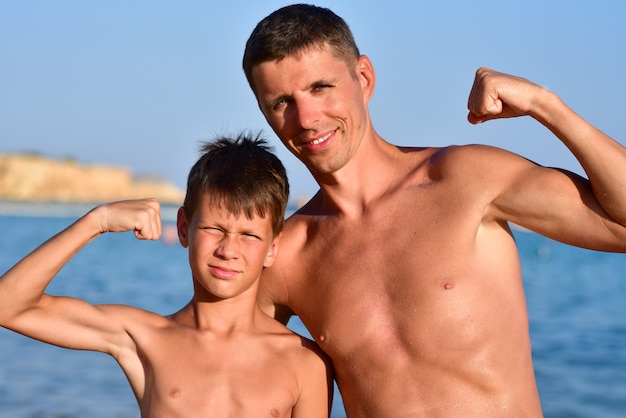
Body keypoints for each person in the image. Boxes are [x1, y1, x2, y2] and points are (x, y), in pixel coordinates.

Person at [242, 4, 626, 417]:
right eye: (282, 101)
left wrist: (544, 104)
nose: (307, 118)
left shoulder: (465, 181)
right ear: (265, 113)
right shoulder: (287, 258)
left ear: (364, 78)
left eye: (321, 87)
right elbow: (214, 365)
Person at [0, 133, 333, 417]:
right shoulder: (145, 338)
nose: (228, 250)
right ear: (185, 228)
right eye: (214, 229)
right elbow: (8, 306)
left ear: (272, 249)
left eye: (249, 235)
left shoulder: (303, 363)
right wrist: (96, 221)